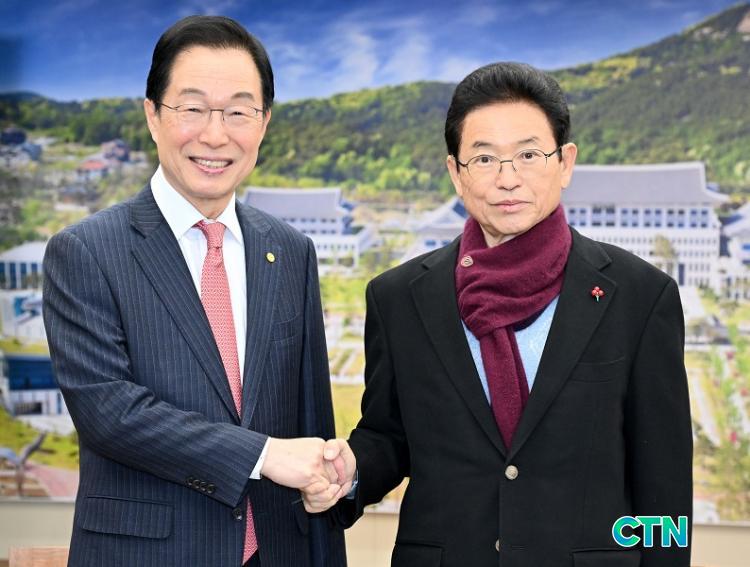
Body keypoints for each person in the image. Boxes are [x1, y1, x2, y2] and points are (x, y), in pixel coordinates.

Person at [305, 62, 693, 566]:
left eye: (529, 155)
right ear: (455, 173)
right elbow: (390, 435)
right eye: (485, 158)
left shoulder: (639, 296)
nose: (508, 179)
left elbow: (663, 484)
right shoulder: (399, 298)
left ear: (565, 162)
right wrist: (350, 470)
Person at [43, 15, 348, 567]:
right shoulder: (85, 251)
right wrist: (263, 455)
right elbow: (110, 413)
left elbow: (310, 419)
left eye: (238, 111)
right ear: (152, 116)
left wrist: (328, 479)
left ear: (264, 123)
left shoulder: (290, 251)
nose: (215, 135)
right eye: (192, 108)